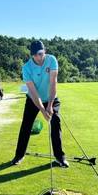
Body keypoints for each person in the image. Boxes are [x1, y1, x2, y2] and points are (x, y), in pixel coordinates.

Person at [11, 40, 69, 168]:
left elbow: (53, 83)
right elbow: (32, 92)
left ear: (44, 51)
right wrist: (43, 110)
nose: (38, 57)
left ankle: (60, 157)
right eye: (35, 54)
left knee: (55, 121)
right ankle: (19, 155)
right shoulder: (26, 68)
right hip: (33, 98)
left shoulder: (52, 60)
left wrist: (50, 106)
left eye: (40, 53)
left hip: (51, 97)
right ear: (31, 55)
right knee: (26, 125)